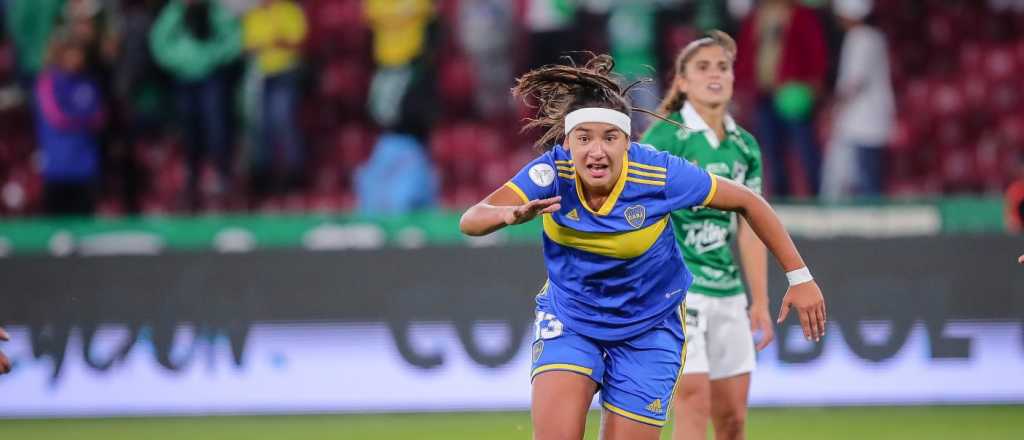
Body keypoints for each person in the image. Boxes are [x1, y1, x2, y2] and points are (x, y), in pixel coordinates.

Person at [459, 54, 825, 440]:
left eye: (609, 138)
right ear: (568, 142)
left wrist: (800, 277)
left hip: (650, 327)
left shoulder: (659, 173)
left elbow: (749, 201)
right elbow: (472, 219)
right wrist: (509, 215)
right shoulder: (551, 172)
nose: (596, 151)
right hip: (571, 320)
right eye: (584, 138)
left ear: (627, 142)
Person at [641, 31, 767, 440]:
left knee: (732, 420)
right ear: (681, 82)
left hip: (727, 292)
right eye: (703, 67)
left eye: (723, 67)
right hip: (678, 291)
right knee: (692, 396)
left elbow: (750, 227)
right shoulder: (662, 140)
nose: (715, 74)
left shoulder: (745, 147)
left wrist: (760, 300)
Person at [149, 0, 241, 210]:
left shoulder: (217, 11)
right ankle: (192, 176)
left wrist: (212, 58)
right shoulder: (174, 13)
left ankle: (221, 175)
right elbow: (158, 42)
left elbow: (234, 40)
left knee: (216, 126)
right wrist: (180, 61)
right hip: (184, 78)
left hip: (212, 77)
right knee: (189, 129)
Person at [735, 0, 827, 197]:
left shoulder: (802, 16)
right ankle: (780, 199)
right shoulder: (756, 17)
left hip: (793, 93)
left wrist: (815, 82)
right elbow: (745, 54)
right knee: (771, 149)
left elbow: (816, 49)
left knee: (805, 149)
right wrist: (742, 86)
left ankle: (816, 196)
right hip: (764, 94)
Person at [821, 0, 894, 201]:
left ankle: (872, 222)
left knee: (866, 176)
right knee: (868, 174)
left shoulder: (859, 38)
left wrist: (833, 107)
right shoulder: (875, 37)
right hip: (869, 118)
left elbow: (854, 82)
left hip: (863, 119)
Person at [35, 30, 106, 216]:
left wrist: (78, 119)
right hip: (57, 166)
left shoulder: (90, 83)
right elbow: (56, 118)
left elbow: (99, 118)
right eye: (71, 53)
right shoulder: (49, 82)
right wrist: (82, 120)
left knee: (83, 223)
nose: (75, 59)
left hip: (86, 165)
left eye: (79, 53)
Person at [243, 0, 308, 198]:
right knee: (261, 126)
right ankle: (264, 177)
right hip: (261, 76)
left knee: (284, 123)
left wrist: (275, 43)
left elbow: (299, 41)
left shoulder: (289, 10)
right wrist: (272, 42)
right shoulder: (254, 15)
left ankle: (294, 175)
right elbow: (248, 47)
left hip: (285, 73)